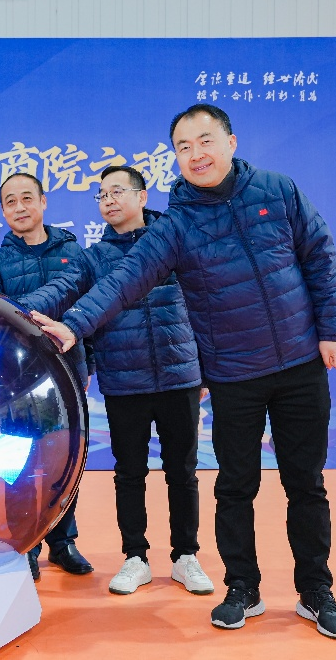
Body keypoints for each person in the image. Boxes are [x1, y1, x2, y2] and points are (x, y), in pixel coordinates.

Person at [31, 104, 336, 639]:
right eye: (183, 147)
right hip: (233, 374)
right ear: (175, 159)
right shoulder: (177, 225)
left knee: (306, 485)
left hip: (299, 364)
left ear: (230, 142)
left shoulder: (277, 190)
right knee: (235, 486)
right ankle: (242, 588)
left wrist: (330, 330)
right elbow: (125, 279)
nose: (196, 154)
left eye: (205, 141)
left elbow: (318, 254)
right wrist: (75, 325)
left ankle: (316, 591)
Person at [23, 165, 212, 597]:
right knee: (129, 473)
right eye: (102, 195)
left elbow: (206, 304)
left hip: (180, 375)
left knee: (182, 471)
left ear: (142, 197)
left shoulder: (176, 242)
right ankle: (135, 557)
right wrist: (14, 308)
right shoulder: (93, 258)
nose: (108, 200)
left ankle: (186, 556)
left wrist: (206, 367)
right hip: (125, 380)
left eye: (117, 192)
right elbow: (61, 289)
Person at [0, 172, 93, 581]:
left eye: (27, 198)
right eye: (10, 201)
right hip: (15, 380)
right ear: (2, 211)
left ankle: (63, 542)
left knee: (66, 461)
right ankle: (25, 543)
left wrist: (87, 364)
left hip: (67, 372)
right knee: (18, 464)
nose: (20, 207)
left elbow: (85, 310)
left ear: (43, 202)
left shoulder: (73, 253)